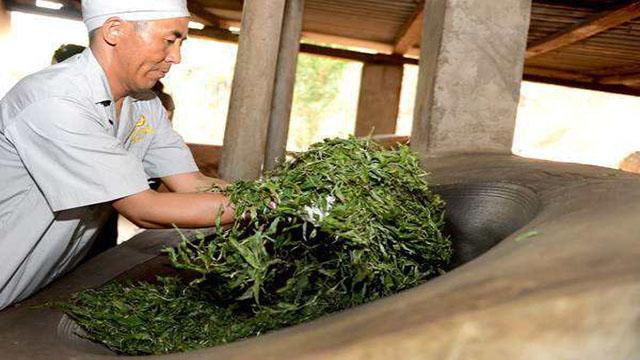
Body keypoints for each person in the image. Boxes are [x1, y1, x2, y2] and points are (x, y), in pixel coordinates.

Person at [0, 0, 235, 310]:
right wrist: (266, 207)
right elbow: (144, 209)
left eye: (181, 42)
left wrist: (278, 195)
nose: (176, 57)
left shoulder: (144, 103)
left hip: (29, 285)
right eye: (169, 39)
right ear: (114, 31)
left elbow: (191, 183)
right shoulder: (55, 101)